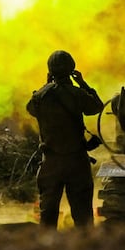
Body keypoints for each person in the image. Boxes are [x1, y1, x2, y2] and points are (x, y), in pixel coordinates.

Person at [25, 49, 104, 228]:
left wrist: (46, 85)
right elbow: (96, 107)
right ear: (71, 69)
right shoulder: (77, 94)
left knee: (48, 215)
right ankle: (85, 249)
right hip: (76, 161)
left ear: (50, 71)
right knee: (83, 215)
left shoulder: (40, 97)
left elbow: (31, 109)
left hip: (51, 162)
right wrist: (82, 83)